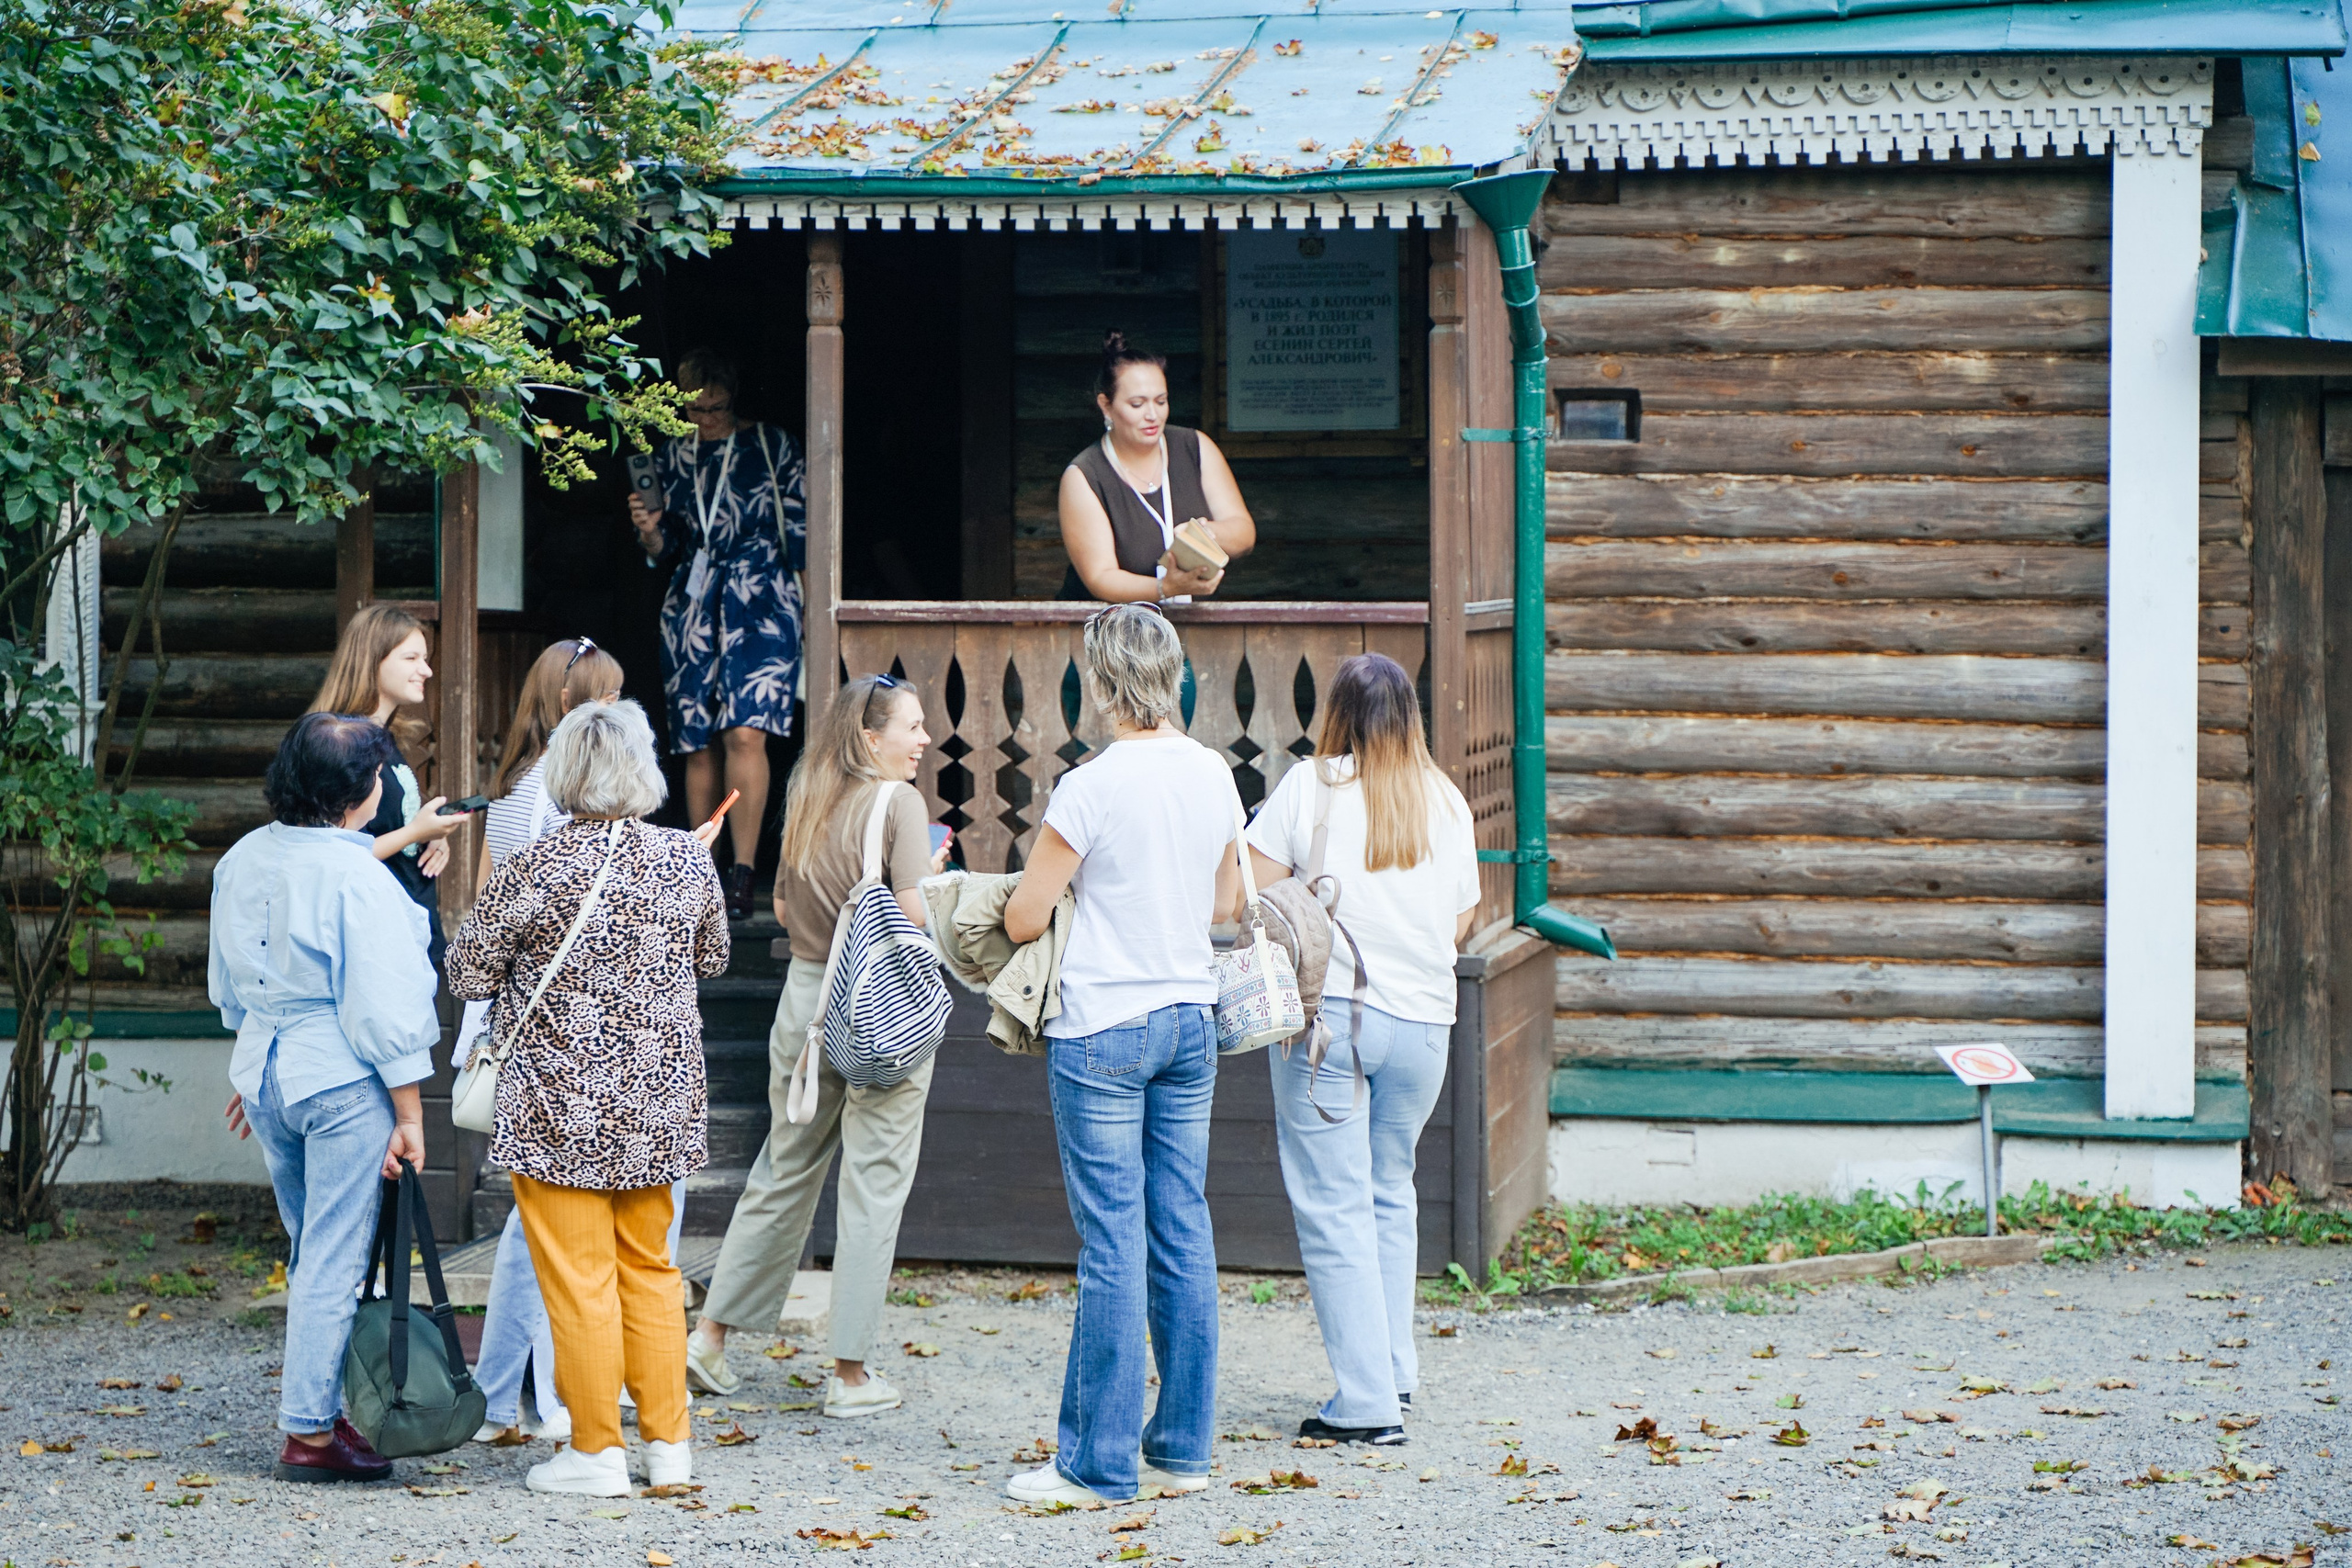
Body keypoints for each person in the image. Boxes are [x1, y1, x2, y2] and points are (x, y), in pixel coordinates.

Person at [446, 700, 729, 1496]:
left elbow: (466, 973)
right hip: (658, 1104)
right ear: (643, 772)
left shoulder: (535, 865)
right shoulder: (686, 859)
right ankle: (669, 1449)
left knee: (578, 1279)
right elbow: (712, 956)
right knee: (652, 1270)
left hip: (556, 1107)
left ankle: (598, 1450)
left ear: (564, 774)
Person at [1000, 604, 1246, 1504]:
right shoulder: (1213, 774)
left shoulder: (1089, 785)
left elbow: (1027, 915)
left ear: (1101, 685)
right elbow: (1224, 902)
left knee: (1111, 1241)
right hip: (1189, 1017)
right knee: (1181, 1228)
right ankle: (1179, 1451)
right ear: (1173, 677)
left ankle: (1096, 1466)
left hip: (1103, 1023)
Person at [686, 672, 950, 1417]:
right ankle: (851, 1373)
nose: (924, 740)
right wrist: (930, 876)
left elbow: (778, 902)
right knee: (874, 1178)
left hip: (804, 1000)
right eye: (912, 726)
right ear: (871, 737)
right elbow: (909, 918)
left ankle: (708, 1340)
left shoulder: (806, 800)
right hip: (875, 999)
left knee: (782, 1168)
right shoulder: (897, 803)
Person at [1244, 653, 1479, 1446]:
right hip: (1424, 1025)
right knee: (1389, 1190)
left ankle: (1367, 1403)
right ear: (1411, 717)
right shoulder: (1445, 799)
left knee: (1332, 1202)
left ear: (1335, 714)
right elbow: (1458, 924)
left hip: (1330, 1022)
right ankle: (1395, 1370)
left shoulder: (1311, 786)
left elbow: (1255, 890)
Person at [211, 712, 443, 1483]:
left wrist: (254, 1066)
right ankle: (310, 1431)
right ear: (362, 792)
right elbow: (385, 1005)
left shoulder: (242, 857)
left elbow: (230, 981)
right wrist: (410, 1116)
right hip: (340, 1080)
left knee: (315, 1251)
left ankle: (331, 1408)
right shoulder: (356, 876)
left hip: (270, 1075)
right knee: (332, 1261)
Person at [626, 348, 806, 920]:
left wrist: (810, 611)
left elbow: (802, 528)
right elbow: (667, 551)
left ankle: (744, 873)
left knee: (746, 734)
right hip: (692, 604)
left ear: (733, 396)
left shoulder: (772, 445)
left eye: (717, 407)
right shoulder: (672, 456)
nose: (707, 420)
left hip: (764, 599)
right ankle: (697, 871)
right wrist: (650, 534)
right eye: (696, 410)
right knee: (695, 742)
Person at [307, 604, 470, 969]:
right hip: (373, 946)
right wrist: (415, 831)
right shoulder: (341, 742)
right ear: (372, 660)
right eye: (411, 657)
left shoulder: (381, 736)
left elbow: (382, 826)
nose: (425, 670)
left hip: (402, 934)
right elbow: (327, 857)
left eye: (425, 658)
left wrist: (431, 833)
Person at [1057, 331, 1255, 604]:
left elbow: (1245, 533)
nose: (1152, 415)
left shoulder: (1195, 446)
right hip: (1113, 635)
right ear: (1106, 406)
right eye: (1137, 404)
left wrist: (1206, 533)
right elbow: (1100, 577)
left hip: (1196, 631)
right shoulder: (1084, 475)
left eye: (1161, 401)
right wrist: (1165, 588)